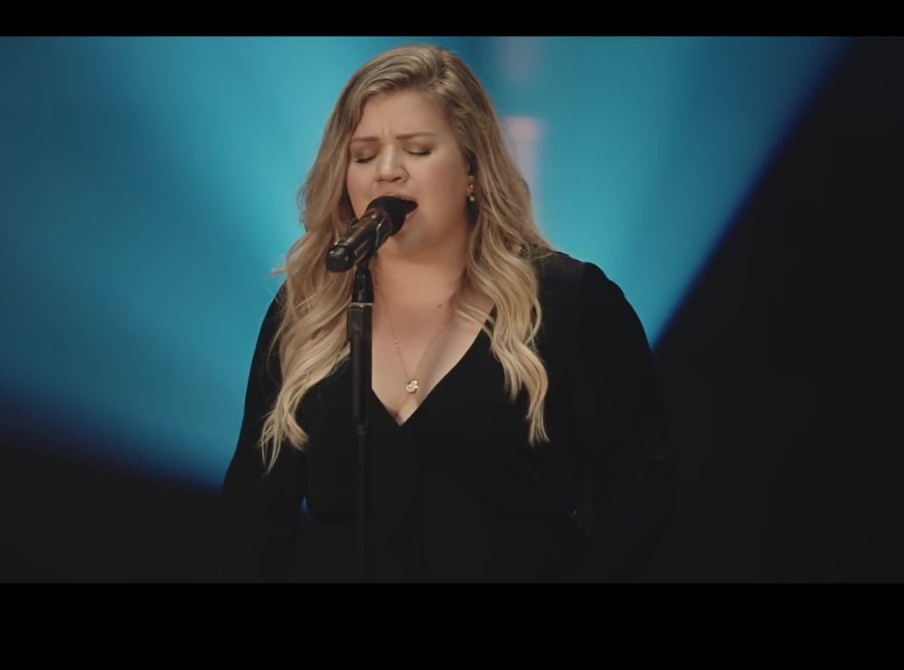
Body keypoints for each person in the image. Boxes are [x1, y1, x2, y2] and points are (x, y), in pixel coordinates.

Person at [218, 43, 674, 583]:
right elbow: (255, 510)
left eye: (416, 150)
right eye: (363, 156)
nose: (387, 172)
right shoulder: (306, 314)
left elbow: (639, 478)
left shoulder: (567, 300)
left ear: (472, 169)